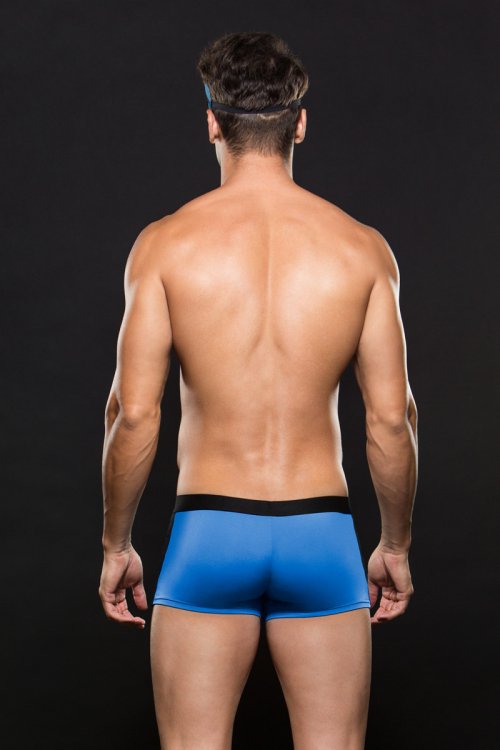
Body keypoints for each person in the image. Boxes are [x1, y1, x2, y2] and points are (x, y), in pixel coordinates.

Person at [98, 30, 417, 750]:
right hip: (321, 533)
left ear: (212, 124)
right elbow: (391, 419)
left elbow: (133, 414)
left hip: (210, 530)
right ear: (299, 124)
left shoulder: (165, 245)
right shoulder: (363, 249)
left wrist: (117, 543)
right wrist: (394, 545)